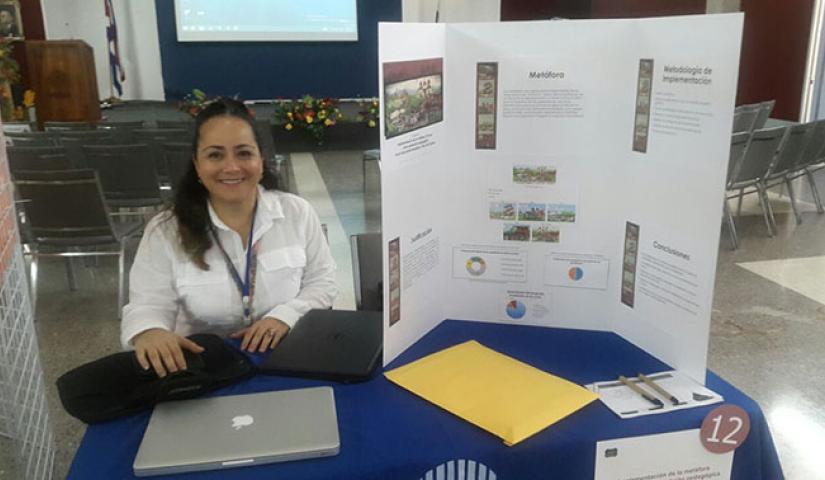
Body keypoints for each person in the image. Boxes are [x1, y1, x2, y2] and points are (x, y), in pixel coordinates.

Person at [121, 98, 337, 378]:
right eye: (215, 155)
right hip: (202, 370)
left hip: (287, 357)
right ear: (197, 165)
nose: (232, 167)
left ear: (261, 161)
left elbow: (322, 282)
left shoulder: (296, 212)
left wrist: (287, 315)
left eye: (244, 153)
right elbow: (148, 305)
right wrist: (150, 331)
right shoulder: (166, 230)